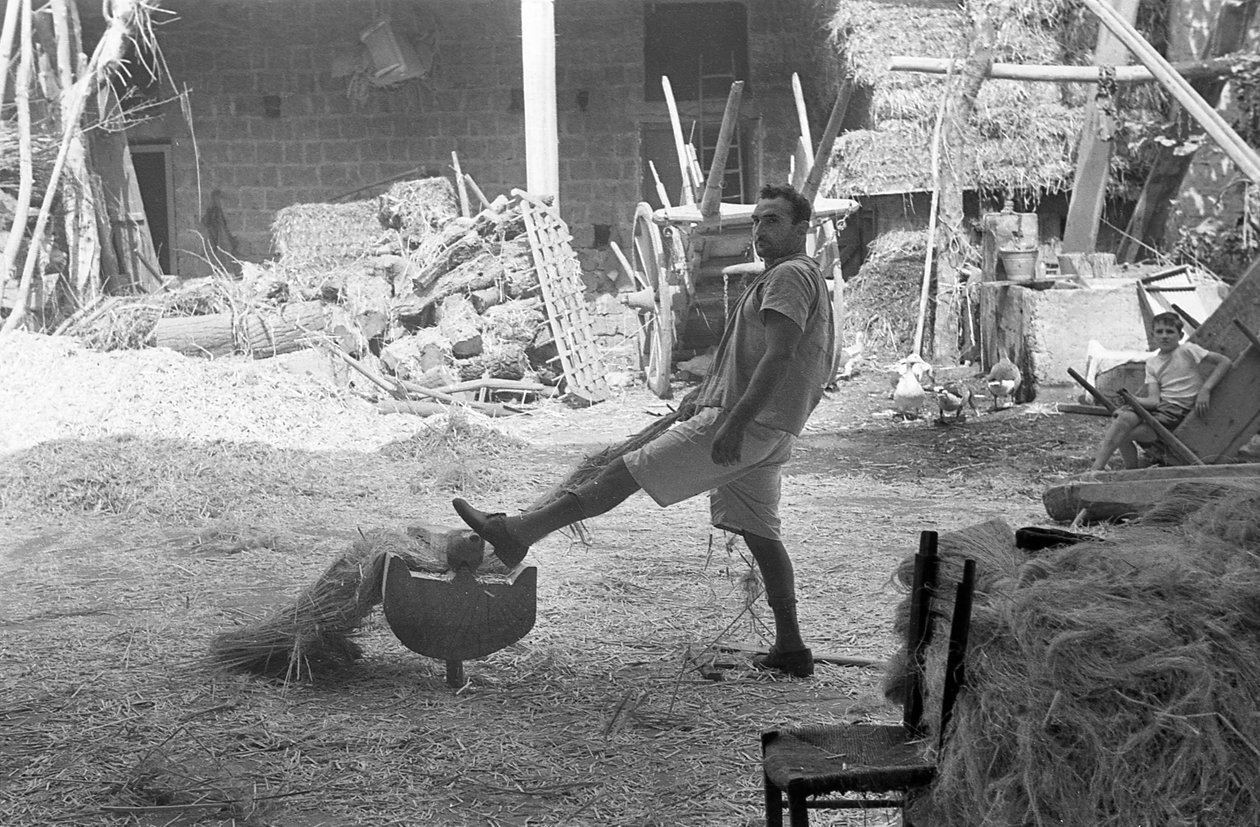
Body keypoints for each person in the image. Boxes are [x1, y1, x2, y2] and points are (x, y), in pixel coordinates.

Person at [452, 183, 834, 678]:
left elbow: (780, 357)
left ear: (802, 229)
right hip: (769, 426)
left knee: (623, 472)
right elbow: (758, 356)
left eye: (774, 220)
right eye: (757, 220)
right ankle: (791, 647)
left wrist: (734, 422)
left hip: (747, 422)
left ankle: (517, 533)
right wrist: (707, 394)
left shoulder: (788, 276)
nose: (760, 229)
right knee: (762, 534)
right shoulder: (794, 275)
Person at [1090, 311, 1231, 471]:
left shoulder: (1187, 350)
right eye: (1159, 332)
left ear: (1180, 335)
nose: (1164, 336)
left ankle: (1122, 470)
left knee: (1121, 434)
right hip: (1160, 408)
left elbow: (1224, 362)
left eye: (1170, 331)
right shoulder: (1152, 363)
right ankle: (1105, 469)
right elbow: (1153, 401)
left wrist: (1206, 389)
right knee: (1123, 419)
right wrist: (1130, 400)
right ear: (1153, 336)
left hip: (1176, 411)